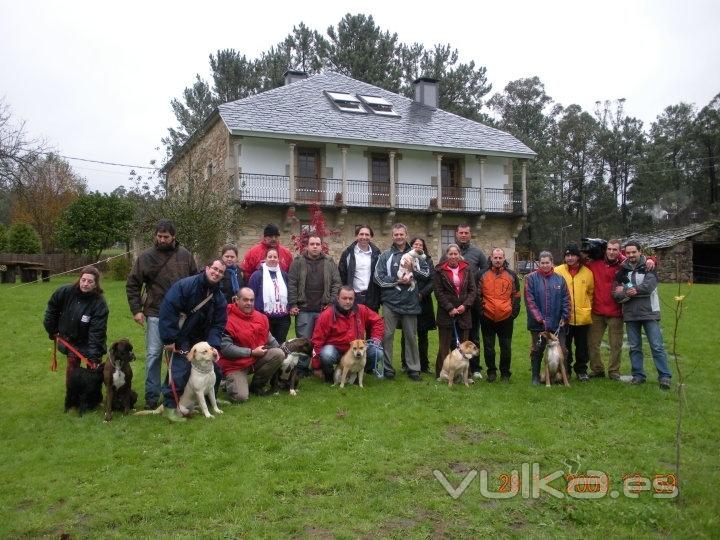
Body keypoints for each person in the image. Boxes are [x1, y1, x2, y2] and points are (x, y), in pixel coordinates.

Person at [126, 219, 197, 410]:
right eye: (159, 236)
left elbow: (195, 282)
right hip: (155, 312)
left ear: (173, 236)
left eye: (166, 236)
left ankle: (172, 393)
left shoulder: (185, 256)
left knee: (177, 355)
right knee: (153, 355)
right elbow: (133, 284)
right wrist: (136, 310)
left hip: (180, 314)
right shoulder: (146, 257)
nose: (162, 240)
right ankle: (151, 397)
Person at [158, 259, 228, 422]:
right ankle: (169, 407)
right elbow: (168, 309)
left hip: (203, 340)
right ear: (207, 268)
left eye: (221, 272)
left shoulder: (219, 298)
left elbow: (218, 324)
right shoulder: (186, 286)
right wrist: (169, 339)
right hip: (181, 336)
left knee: (215, 370)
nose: (216, 273)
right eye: (214, 269)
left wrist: (214, 346)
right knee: (179, 370)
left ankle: (211, 401)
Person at [585, 239, 655, 380]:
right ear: (606, 249)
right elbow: (575, 261)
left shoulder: (624, 265)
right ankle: (597, 369)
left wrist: (651, 259)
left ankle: (613, 371)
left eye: (615, 250)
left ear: (619, 251)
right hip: (597, 311)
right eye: (609, 249)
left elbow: (638, 259)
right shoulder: (594, 263)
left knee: (615, 345)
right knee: (592, 343)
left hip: (616, 312)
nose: (611, 252)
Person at [612, 241, 672, 390]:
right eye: (628, 253)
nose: (631, 255)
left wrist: (633, 290)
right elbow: (615, 293)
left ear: (640, 252)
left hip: (649, 312)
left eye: (634, 252)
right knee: (635, 347)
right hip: (631, 314)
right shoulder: (621, 271)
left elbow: (650, 286)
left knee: (657, 346)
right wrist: (626, 292)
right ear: (625, 254)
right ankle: (638, 375)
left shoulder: (649, 266)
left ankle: (664, 376)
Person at [375, 223, 430, 381]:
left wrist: (413, 269)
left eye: (401, 234)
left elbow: (426, 274)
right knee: (387, 335)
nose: (399, 237)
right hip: (390, 302)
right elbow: (378, 277)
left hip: (410, 301)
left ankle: (413, 368)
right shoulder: (385, 255)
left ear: (406, 235)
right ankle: (387, 368)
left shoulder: (417, 254)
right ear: (392, 236)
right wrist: (397, 281)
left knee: (411, 336)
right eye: (396, 234)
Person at [44, 266, 109, 388]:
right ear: (79, 279)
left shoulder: (99, 303)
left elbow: (97, 331)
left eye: (90, 281)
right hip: (71, 340)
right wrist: (51, 329)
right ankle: (72, 398)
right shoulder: (64, 292)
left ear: (96, 285)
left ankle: (93, 398)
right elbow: (51, 309)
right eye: (83, 280)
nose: (85, 284)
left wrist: (94, 356)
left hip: (91, 341)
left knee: (93, 371)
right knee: (72, 371)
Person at [217, 287, 284, 401]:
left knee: (279, 353)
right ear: (236, 300)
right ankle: (227, 382)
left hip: (256, 359)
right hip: (235, 365)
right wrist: (251, 352)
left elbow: (269, 337)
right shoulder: (226, 319)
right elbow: (226, 349)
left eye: (251, 300)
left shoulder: (261, 317)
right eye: (245, 300)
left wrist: (284, 352)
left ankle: (257, 386)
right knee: (240, 397)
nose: (249, 303)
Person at [310, 286, 385, 383]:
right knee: (327, 354)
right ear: (338, 298)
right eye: (344, 298)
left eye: (351, 299)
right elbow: (317, 340)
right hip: (335, 350)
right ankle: (329, 375)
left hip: (356, 349)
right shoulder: (327, 314)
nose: (348, 302)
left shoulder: (361, 310)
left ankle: (357, 374)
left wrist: (376, 337)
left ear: (354, 299)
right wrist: (316, 367)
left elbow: (378, 320)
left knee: (377, 352)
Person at [524, 251, 570, 386]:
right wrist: (539, 318)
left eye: (547, 263)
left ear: (552, 263)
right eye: (542, 263)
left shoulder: (560, 279)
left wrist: (565, 316)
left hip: (557, 324)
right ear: (539, 263)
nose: (545, 265)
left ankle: (562, 376)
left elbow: (566, 299)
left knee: (562, 349)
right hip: (537, 324)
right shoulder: (531, 278)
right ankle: (535, 376)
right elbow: (529, 300)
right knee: (537, 349)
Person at [477, 248, 521, 382]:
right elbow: (477, 295)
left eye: (500, 258)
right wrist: (481, 311)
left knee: (506, 347)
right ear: (491, 258)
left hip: (506, 317)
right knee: (489, 347)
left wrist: (513, 312)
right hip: (487, 316)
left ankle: (505, 373)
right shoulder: (482, 274)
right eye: (495, 258)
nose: (497, 260)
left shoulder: (512, 275)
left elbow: (517, 295)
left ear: (504, 259)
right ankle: (491, 372)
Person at [433, 244, 477, 379]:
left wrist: (465, 305)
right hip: (446, 313)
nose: (453, 256)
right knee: (444, 345)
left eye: (455, 254)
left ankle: (465, 375)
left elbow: (472, 290)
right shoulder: (440, 270)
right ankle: (442, 373)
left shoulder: (467, 269)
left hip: (464, 312)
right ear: (447, 255)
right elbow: (438, 292)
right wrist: (449, 308)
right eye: (450, 254)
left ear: (459, 255)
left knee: (465, 346)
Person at [288, 234, 341, 340]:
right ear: (307, 246)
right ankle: (304, 358)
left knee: (323, 340)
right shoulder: (298, 262)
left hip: (323, 309)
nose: (315, 246)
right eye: (312, 244)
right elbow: (292, 284)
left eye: (318, 244)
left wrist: (331, 303)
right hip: (303, 309)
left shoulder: (329, 262)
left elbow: (337, 284)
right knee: (304, 343)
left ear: (321, 246)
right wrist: (293, 304)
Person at [554, 243, 595, 381]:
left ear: (578, 257)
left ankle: (581, 370)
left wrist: (586, 306)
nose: (570, 258)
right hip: (564, 317)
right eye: (567, 255)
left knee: (582, 347)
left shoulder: (587, 273)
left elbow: (590, 293)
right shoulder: (558, 271)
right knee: (565, 346)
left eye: (572, 255)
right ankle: (566, 370)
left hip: (582, 317)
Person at [453, 224, 488, 379]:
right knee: (455, 336)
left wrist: (473, 275)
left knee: (473, 335)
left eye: (466, 233)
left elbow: (486, 270)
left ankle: (475, 368)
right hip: (454, 301)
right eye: (461, 233)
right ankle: (455, 365)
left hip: (472, 301)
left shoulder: (477, 253)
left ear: (470, 234)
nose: (463, 235)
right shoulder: (451, 251)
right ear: (456, 234)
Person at [400, 237, 436, 374]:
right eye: (416, 244)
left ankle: (424, 364)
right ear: (412, 246)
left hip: (423, 301)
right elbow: (403, 275)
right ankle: (405, 363)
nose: (418, 246)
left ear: (424, 247)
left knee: (423, 335)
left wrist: (421, 294)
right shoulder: (406, 259)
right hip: (408, 299)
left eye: (421, 244)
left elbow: (432, 281)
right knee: (407, 334)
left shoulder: (428, 261)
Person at [247, 247, 291, 343]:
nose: (272, 259)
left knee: (280, 344)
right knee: (265, 344)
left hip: (283, 318)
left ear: (278, 259)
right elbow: (250, 295)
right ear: (265, 258)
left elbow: (290, 292)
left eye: (275, 257)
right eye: (269, 256)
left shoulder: (284, 275)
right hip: (264, 317)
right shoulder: (257, 275)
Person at [338, 224, 382, 312]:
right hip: (354, 297)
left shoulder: (377, 254)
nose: (364, 237)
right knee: (354, 324)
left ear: (371, 237)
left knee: (370, 325)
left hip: (371, 297)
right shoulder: (348, 254)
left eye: (367, 234)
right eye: (361, 234)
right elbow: (342, 275)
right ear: (356, 236)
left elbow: (380, 276)